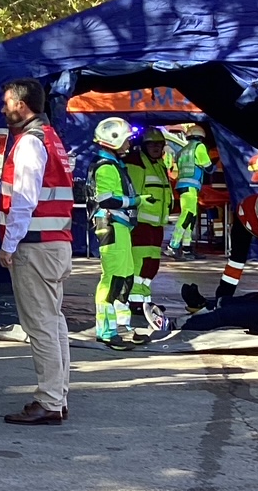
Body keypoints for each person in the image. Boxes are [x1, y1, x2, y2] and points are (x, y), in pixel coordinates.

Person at [0, 79, 74, 426]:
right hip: (56, 242)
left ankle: (49, 400)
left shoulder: (30, 143)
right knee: (54, 321)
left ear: (21, 105)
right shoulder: (52, 139)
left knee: (41, 324)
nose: (3, 109)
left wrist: (8, 245)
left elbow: (24, 200)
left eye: (7, 103)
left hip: (36, 245)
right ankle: (58, 395)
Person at [89, 117, 140, 350]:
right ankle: (106, 331)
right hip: (111, 225)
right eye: (126, 140)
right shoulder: (105, 167)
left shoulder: (114, 164)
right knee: (113, 279)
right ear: (113, 140)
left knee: (126, 275)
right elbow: (107, 198)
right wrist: (135, 200)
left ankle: (122, 325)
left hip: (120, 226)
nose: (129, 145)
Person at [126, 127, 172, 338]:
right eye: (152, 144)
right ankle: (135, 301)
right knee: (140, 264)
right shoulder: (137, 163)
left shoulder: (159, 164)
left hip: (157, 223)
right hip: (142, 223)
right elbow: (133, 191)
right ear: (143, 146)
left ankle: (144, 299)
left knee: (151, 265)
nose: (156, 148)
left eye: (159, 145)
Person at [168, 124, 211, 257]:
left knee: (191, 216)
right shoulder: (199, 147)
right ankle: (173, 245)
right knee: (187, 215)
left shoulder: (183, 149)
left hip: (182, 185)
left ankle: (187, 247)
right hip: (191, 186)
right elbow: (208, 167)